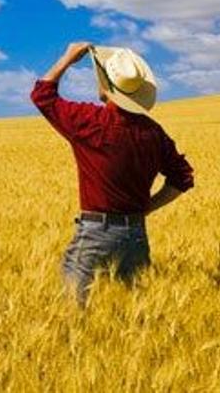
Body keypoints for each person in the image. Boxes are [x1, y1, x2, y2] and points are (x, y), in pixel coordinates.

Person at [30, 41, 194, 305]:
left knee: (72, 315)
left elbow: (42, 96)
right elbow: (182, 178)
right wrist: (145, 208)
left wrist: (68, 58)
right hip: (136, 235)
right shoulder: (153, 133)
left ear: (106, 85)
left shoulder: (90, 122)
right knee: (134, 316)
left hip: (96, 232)